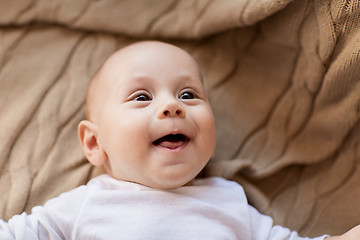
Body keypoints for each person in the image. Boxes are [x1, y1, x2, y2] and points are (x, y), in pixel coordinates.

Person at [0, 41, 359, 239]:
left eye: (188, 94)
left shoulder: (229, 201)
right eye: (142, 97)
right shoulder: (86, 205)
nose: (172, 106)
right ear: (94, 143)